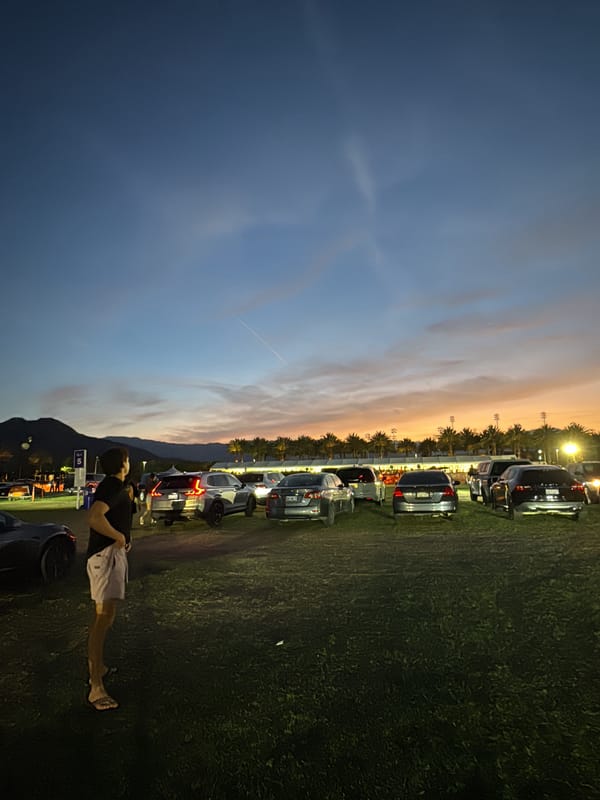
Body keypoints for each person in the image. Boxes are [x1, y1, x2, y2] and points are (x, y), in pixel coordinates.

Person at [86, 446, 132, 711]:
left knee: (107, 616)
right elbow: (94, 518)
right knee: (102, 619)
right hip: (104, 557)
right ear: (122, 463)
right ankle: (95, 687)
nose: (129, 462)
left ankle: (99, 667)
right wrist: (117, 537)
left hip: (110, 555)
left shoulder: (114, 485)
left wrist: (124, 538)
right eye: (127, 459)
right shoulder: (112, 486)